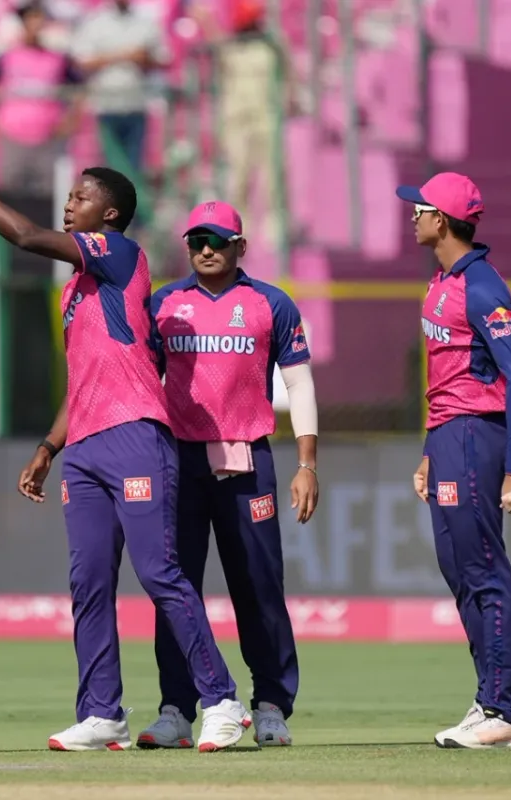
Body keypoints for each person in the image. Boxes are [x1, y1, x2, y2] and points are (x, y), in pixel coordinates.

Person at [0, 135, 249, 752]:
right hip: (83, 448)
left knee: (160, 571)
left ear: (107, 214)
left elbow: (26, 238)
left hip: (137, 434)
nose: (69, 203)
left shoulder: (119, 253)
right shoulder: (75, 291)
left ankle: (220, 700)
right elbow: (86, 377)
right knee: (87, 581)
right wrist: (48, 447)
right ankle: (101, 713)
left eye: (80, 197)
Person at [144, 201, 317, 749]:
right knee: (177, 589)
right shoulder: (164, 305)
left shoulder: (270, 303)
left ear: (241, 246)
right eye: (197, 240)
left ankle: (270, 704)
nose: (206, 250)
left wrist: (307, 463)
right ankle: (176, 707)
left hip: (248, 459)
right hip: (178, 462)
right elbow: (140, 383)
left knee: (259, 585)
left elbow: (300, 384)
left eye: (218, 240)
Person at [397, 173, 511, 749]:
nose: (413, 216)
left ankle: (502, 710)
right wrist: (431, 450)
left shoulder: (482, 287)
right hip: (450, 438)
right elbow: (444, 380)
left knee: (484, 569)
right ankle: (489, 702)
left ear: (445, 220)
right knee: (459, 569)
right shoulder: (439, 283)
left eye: (421, 208)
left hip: (481, 436)